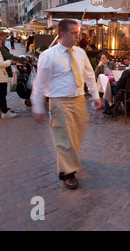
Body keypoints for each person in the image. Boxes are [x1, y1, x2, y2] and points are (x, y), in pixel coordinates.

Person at [31, 19, 102, 190]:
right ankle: (66, 173)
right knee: (64, 138)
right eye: (74, 33)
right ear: (62, 34)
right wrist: (38, 107)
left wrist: (95, 95)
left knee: (76, 135)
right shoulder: (49, 55)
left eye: (78, 32)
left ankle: (69, 160)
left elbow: (89, 75)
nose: (78, 36)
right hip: (59, 101)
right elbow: (39, 83)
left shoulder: (80, 53)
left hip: (79, 99)